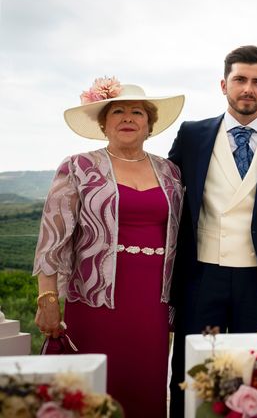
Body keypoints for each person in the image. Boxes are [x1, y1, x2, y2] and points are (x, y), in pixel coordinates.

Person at [168, 45, 257, 417]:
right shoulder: (192, 135)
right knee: (195, 374)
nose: (248, 88)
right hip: (201, 276)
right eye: (240, 80)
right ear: (223, 84)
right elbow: (168, 198)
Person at [33, 77, 185, 416]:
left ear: (150, 125)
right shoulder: (78, 167)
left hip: (152, 301)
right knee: (94, 389)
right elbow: (53, 237)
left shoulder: (171, 172)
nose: (128, 118)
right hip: (94, 299)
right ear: (104, 123)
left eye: (137, 112)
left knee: (145, 382)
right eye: (118, 111)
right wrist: (47, 298)